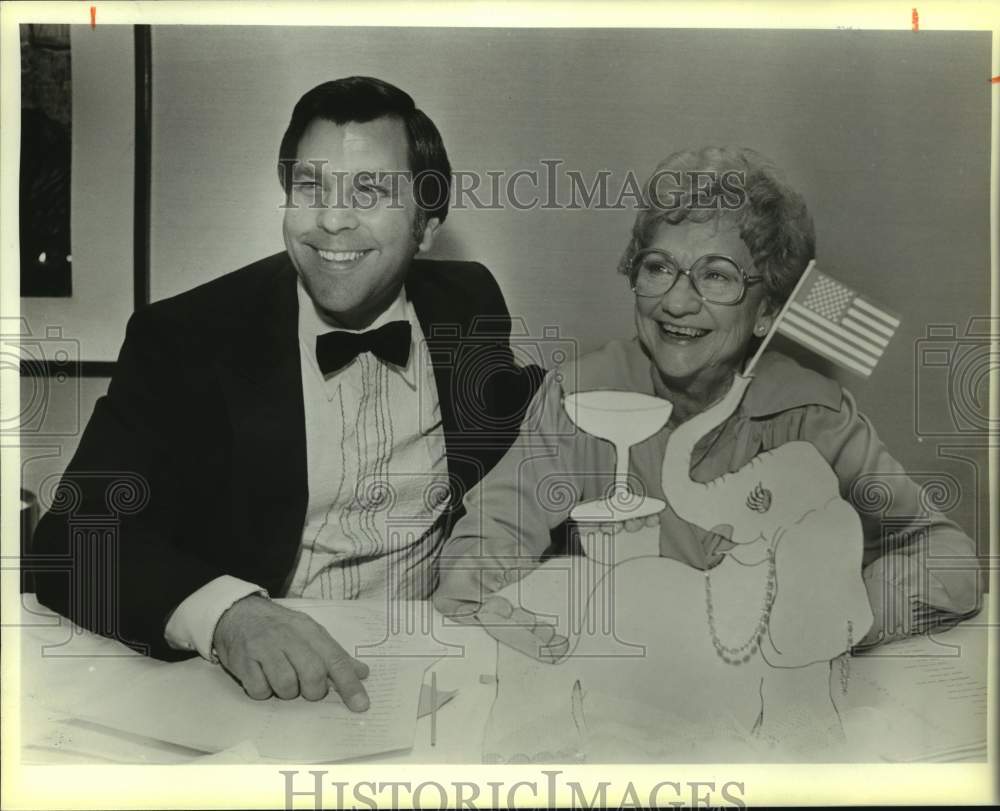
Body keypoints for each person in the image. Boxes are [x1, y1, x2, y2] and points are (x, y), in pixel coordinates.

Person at [31, 76, 543, 710]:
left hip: (437, 669)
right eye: (310, 187)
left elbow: (510, 453)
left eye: (371, 191)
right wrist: (227, 615)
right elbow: (69, 543)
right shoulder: (187, 338)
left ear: (427, 226)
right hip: (254, 689)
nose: (331, 220)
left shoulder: (470, 304)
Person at [433, 146, 982, 659]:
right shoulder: (580, 397)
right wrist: (475, 587)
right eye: (658, 267)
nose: (676, 301)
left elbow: (949, 557)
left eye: (716, 276)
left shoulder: (813, 417)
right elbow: (493, 532)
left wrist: (840, 615)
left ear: (766, 312)